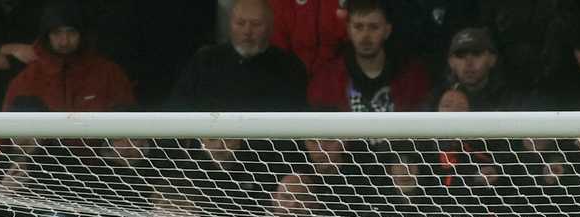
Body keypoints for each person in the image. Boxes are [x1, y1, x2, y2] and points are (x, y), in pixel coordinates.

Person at [169, 0, 307, 112]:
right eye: (240, 23)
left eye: (256, 24)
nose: (247, 31)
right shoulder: (205, 61)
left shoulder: (289, 67)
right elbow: (177, 109)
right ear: (230, 25)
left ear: (270, 27)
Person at [1, 2, 134, 112]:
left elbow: (129, 129)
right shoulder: (26, 80)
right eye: (56, 33)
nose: (64, 41)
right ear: (46, 36)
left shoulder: (109, 74)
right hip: (46, 145)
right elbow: (8, 134)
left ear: (82, 35)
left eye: (71, 32)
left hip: (97, 144)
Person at [307, 0, 430, 112]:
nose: (365, 35)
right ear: (348, 30)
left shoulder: (412, 78)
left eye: (374, 27)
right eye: (358, 27)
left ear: (387, 31)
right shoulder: (326, 81)